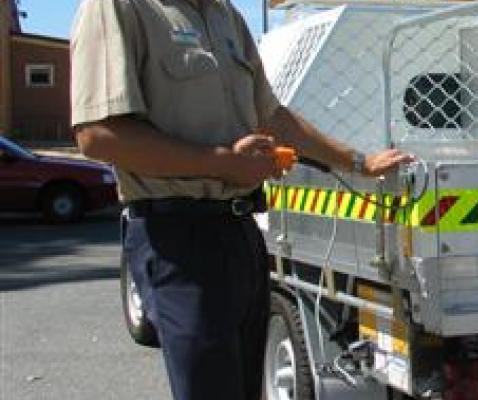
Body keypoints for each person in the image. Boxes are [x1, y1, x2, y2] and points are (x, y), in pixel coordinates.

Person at [69, 1, 412, 399]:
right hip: (177, 238)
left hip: (240, 233)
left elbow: (273, 117)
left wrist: (358, 161)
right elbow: (97, 134)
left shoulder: (224, 15)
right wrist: (224, 164)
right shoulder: (119, 7)